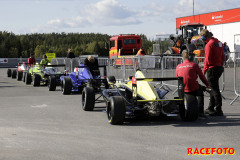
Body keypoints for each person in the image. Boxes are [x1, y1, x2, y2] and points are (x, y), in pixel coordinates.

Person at [176, 50, 210, 118]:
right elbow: (202, 77)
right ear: (191, 58)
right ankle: (200, 112)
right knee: (201, 92)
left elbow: (177, 77)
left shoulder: (178, 66)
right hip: (193, 88)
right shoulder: (194, 65)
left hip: (182, 89)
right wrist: (207, 85)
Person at [200, 29, 225, 116]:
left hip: (212, 69)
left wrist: (203, 71)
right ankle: (211, 108)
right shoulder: (219, 43)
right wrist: (220, 64)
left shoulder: (208, 45)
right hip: (219, 67)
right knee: (213, 88)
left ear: (204, 37)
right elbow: (223, 56)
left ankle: (218, 109)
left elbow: (207, 60)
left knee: (214, 89)